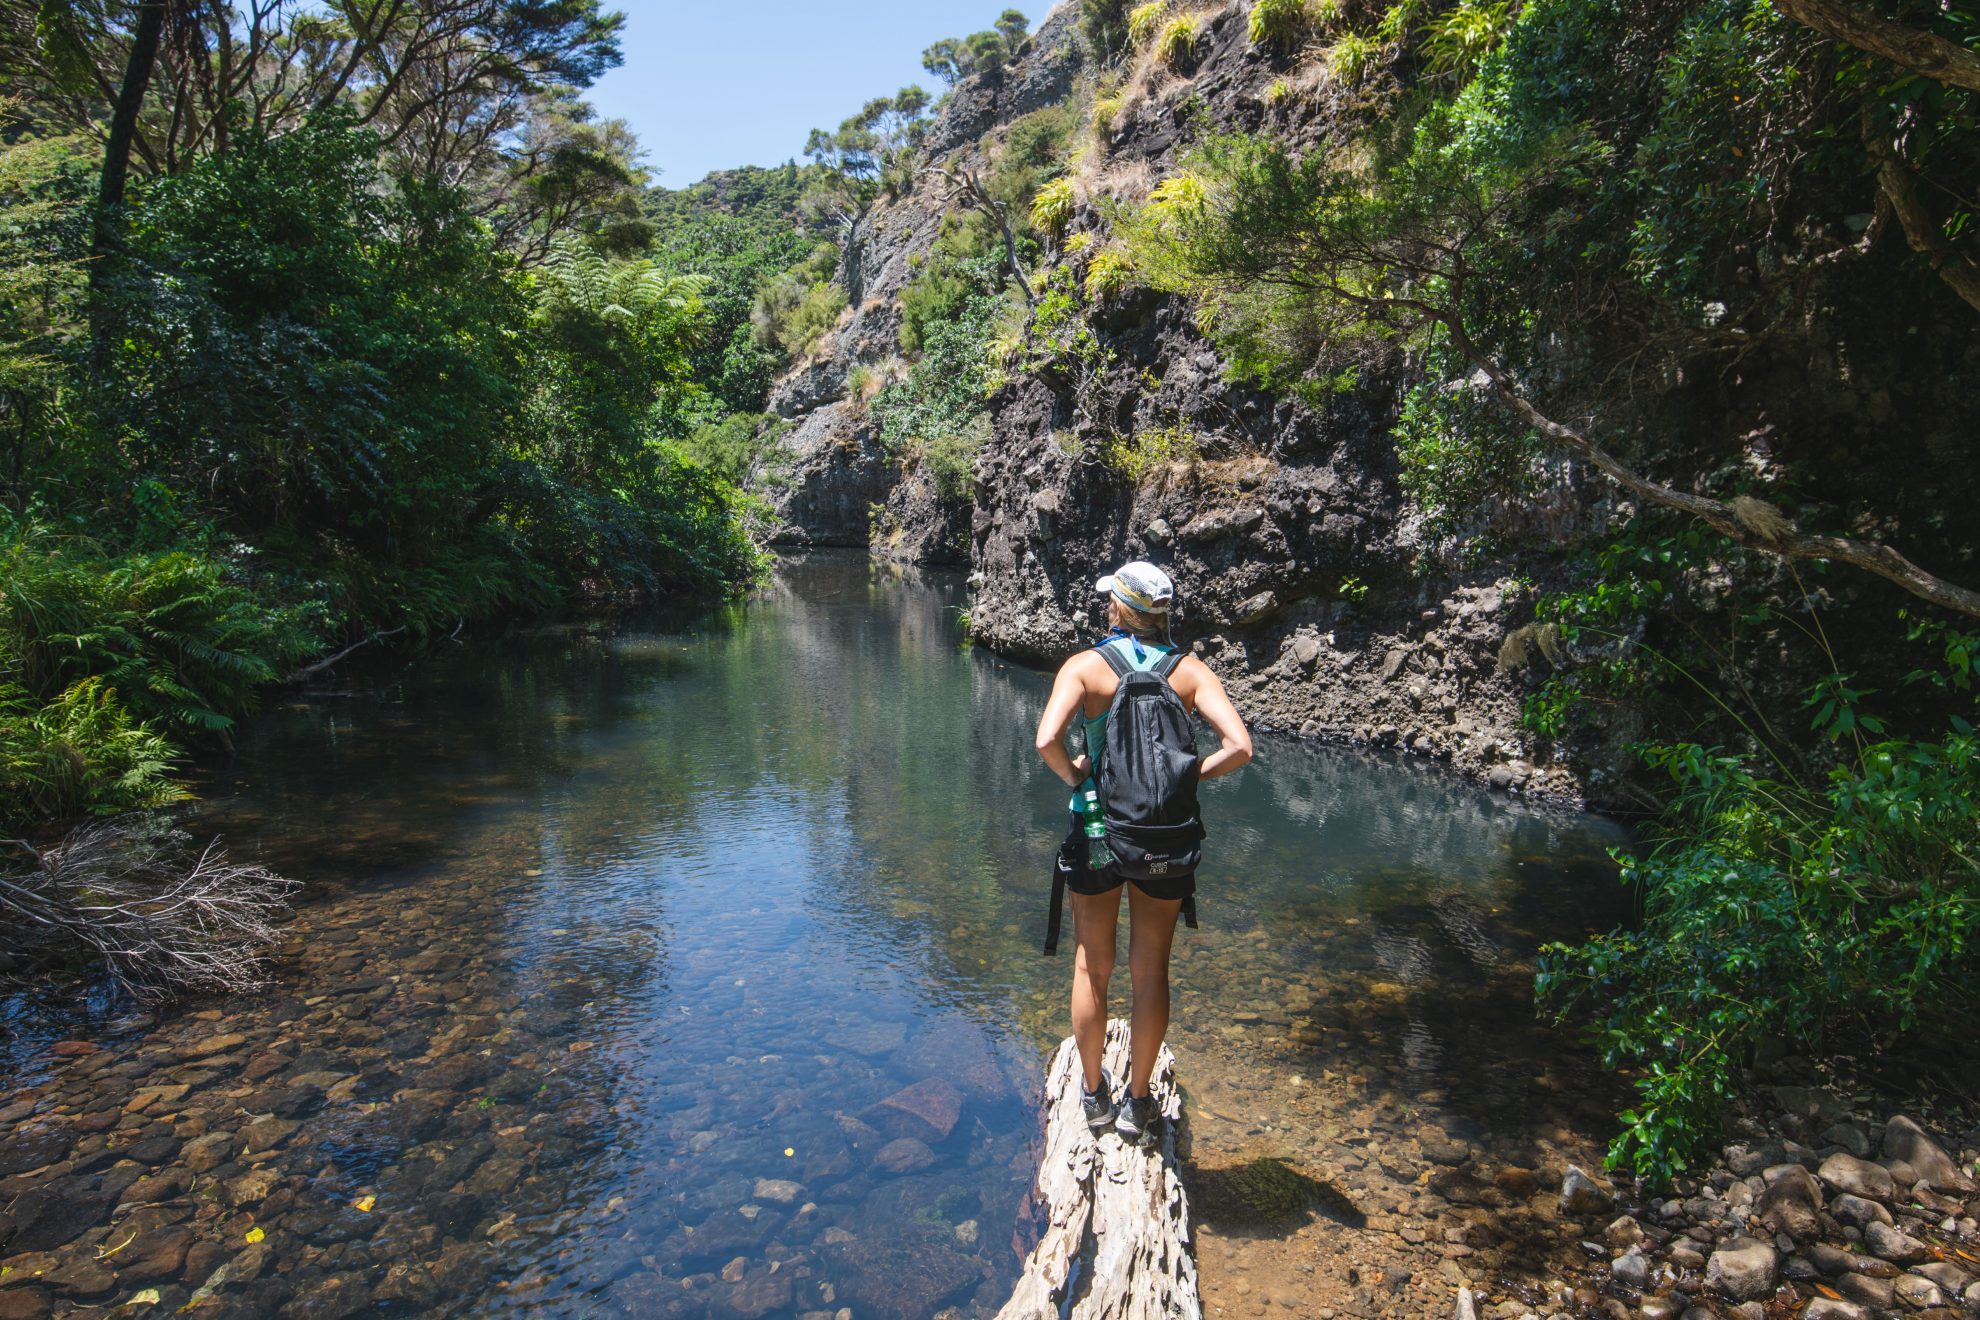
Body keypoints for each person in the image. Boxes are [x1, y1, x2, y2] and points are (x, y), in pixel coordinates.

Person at [1033, 561, 1252, 1144]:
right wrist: (1189, 777)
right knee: (1151, 970)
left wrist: (1077, 776)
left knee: (1091, 965)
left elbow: (1046, 739)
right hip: (1165, 841)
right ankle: (1137, 1102)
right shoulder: (1191, 672)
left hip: (1098, 834)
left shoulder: (1086, 667)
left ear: (1120, 608)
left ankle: (1093, 1094)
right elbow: (1240, 747)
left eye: (1111, 599)